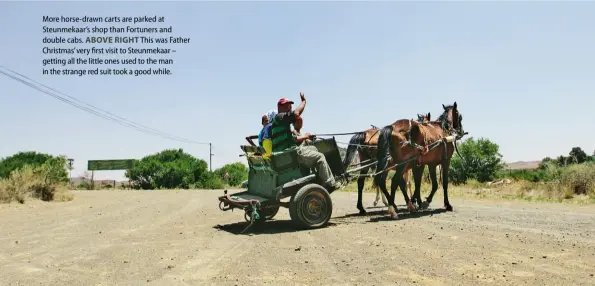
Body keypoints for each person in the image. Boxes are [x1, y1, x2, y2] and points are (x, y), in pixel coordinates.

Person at [271, 92, 340, 189]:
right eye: (287, 106)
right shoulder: (280, 117)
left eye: (290, 106)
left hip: (285, 154)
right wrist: (304, 102)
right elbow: (296, 113)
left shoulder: (279, 123)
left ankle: (319, 177)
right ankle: (330, 184)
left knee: (313, 148)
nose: (290, 108)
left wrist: (305, 137)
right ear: (280, 107)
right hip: (291, 154)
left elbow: (292, 139)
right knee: (320, 157)